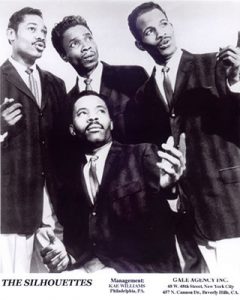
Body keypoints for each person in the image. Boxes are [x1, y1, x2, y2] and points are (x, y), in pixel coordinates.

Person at [127, 1, 240, 273]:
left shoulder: (216, 65)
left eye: (164, 24)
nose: (162, 33)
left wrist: (236, 82)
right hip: (184, 219)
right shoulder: (141, 98)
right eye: (150, 31)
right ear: (140, 45)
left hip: (230, 207)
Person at [40, 91, 186, 273]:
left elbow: (164, 196)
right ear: (71, 129)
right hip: (99, 274)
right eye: (82, 113)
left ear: (112, 122)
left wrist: (170, 186)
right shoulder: (71, 178)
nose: (92, 117)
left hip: (146, 274)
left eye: (100, 111)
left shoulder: (140, 154)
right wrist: (67, 257)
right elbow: (83, 236)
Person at [0, 7, 67, 273]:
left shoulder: (56, 84)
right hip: (11, 211)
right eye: (32, 29)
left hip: (52, 208)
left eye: (44, 32)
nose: (40, 36)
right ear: (10, 34)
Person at [51, 15, 148, 143]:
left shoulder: (133, 76)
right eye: (75, 43)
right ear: (64, 56)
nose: (86, 47)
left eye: (88, 38)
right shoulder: (66, 103)